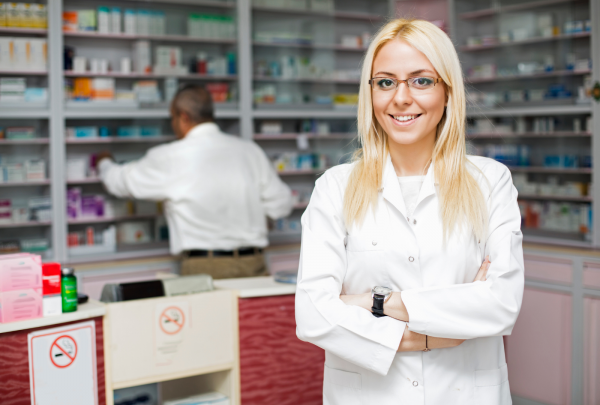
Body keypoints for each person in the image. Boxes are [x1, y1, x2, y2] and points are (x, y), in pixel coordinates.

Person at [295, 18, 524, 404]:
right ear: (370, 94)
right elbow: (314, 315)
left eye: (421, 80)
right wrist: (436, 334)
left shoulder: (489, 181)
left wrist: (374, 302)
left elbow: (501, 304)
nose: (401, 98)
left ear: (448, 92)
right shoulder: (335, 188)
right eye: (385, 82)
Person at [97, 85, 294, 279]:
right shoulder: (249, 151)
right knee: (256, 313)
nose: (172, 124)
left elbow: (119, 181)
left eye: (172, 118)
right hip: (255, 264)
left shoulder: (171, 156)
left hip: (205, 268)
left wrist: (104, 161)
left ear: (183, 117)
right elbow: (282, 204)